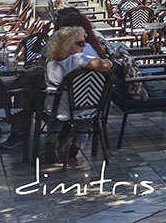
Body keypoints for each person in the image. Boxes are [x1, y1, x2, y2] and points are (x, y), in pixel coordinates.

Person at [43, 26, 114, 163]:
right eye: (80, 43)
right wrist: (109, 61)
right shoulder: (77, 58)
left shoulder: (50, 62)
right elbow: (103, 66)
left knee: (55, 120)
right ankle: (77, 143)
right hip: (83, 107)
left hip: (57, 107)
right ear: (69, 46)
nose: (84, 46)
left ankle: (50, 141)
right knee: (86, 118)